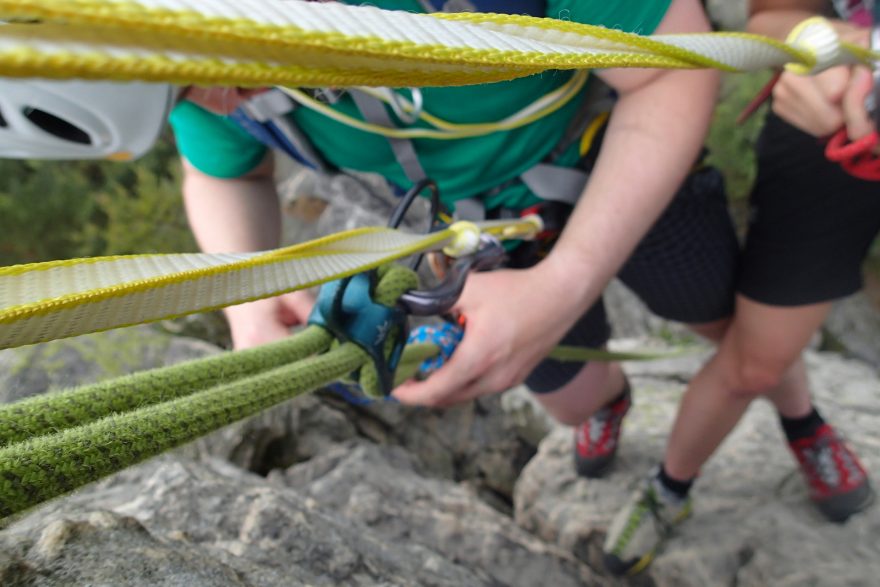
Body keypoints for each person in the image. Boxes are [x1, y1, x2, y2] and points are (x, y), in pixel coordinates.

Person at [170, 0, 738, 484]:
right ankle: (607, 404)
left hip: (623, 154)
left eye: (207, 66)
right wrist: (250, 297)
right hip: (480, 230)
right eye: (178, 89)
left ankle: (770, 401)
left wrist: (567, 283)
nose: (220, 102)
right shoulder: (191, 76)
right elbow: (223, 174)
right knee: (572, 401)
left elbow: (672, 69)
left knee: (724, 321)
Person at [601, 0, 877, 576]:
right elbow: (771, 19)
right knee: (755, 364)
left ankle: (802, 428)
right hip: (829, 140)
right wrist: (829, 40)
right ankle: (672, 487)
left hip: (844, 129)